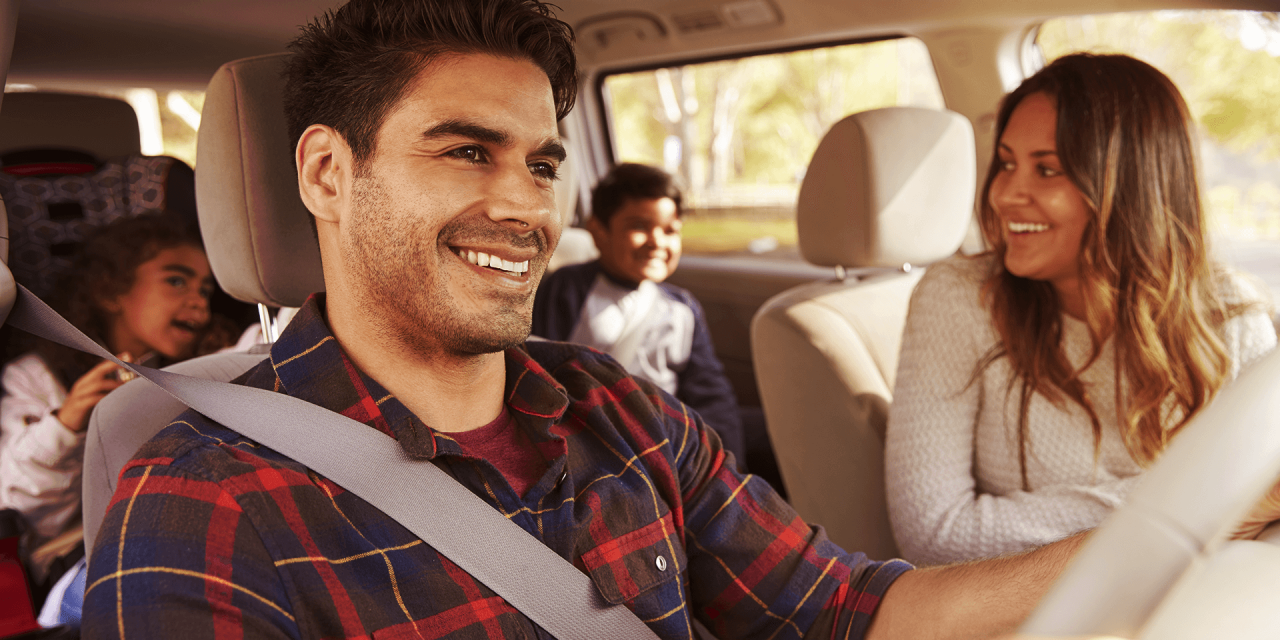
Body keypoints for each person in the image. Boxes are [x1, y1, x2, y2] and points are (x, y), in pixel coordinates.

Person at [79, 5, 1280, 639]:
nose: (522, 205)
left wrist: (1183, 523)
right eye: (465, 151)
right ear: (329, 173)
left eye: (544, 163)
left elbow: (853, 610)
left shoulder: (619, 413)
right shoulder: (203, 502)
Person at [884, 53, 1278, 566]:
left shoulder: (1232, 316)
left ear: (1134, 189)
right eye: (1006, 163)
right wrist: (1191, 504)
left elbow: (1263, 505)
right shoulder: (960, 298)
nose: (1004, 194)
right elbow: (934, 534)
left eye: (1046, 169)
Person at [0, 212, 220, 582]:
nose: (198, 301)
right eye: (177, 281)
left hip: (187, 534)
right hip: (77, 559)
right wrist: (66, 424)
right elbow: (16, 507)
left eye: (205, 290)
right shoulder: (38, 377)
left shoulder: (206, 371)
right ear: (111, 290)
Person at [531, 163, 746, 462]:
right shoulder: (568, 288)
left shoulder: (683, 306)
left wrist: (724, 459)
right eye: (639, 227)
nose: (657, 241)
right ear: (598, 231)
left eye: (670, 230)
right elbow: (542, 372)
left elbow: (711, 392)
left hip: (668, 437)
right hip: (595, 437)